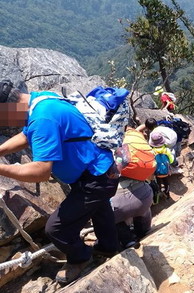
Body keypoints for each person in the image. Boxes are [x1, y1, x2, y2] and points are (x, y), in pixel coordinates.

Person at [0, 80, 119, 285]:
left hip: (94, 178)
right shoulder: (41, 100)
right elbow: (27, 134)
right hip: (100, 170)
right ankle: (109, 247)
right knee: (100, 209)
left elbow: (41, 171)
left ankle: (80, 257)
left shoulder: (42, 118)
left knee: (56, 229)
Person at [148, 131, 174, 198]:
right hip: (166, 171)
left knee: (158, 182)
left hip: (157, 172)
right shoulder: (166, 150)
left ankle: (159, 193)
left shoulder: (152, 151)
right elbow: (171, 160)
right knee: (166, 182)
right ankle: (167, 194)